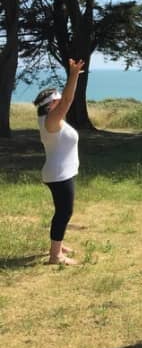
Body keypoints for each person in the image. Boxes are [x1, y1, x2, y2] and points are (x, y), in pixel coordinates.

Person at [34, 58, 85, 265]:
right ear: (51, 106)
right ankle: (55, 255)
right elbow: (67, 101)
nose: (60, 101)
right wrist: (73, 76)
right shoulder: (51, 121)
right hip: (59, 174)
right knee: (65, 212)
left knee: (62, 211)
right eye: (57, 100)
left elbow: (64, 102)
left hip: (59, 172)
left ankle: (58, 244)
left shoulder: (53, 121)